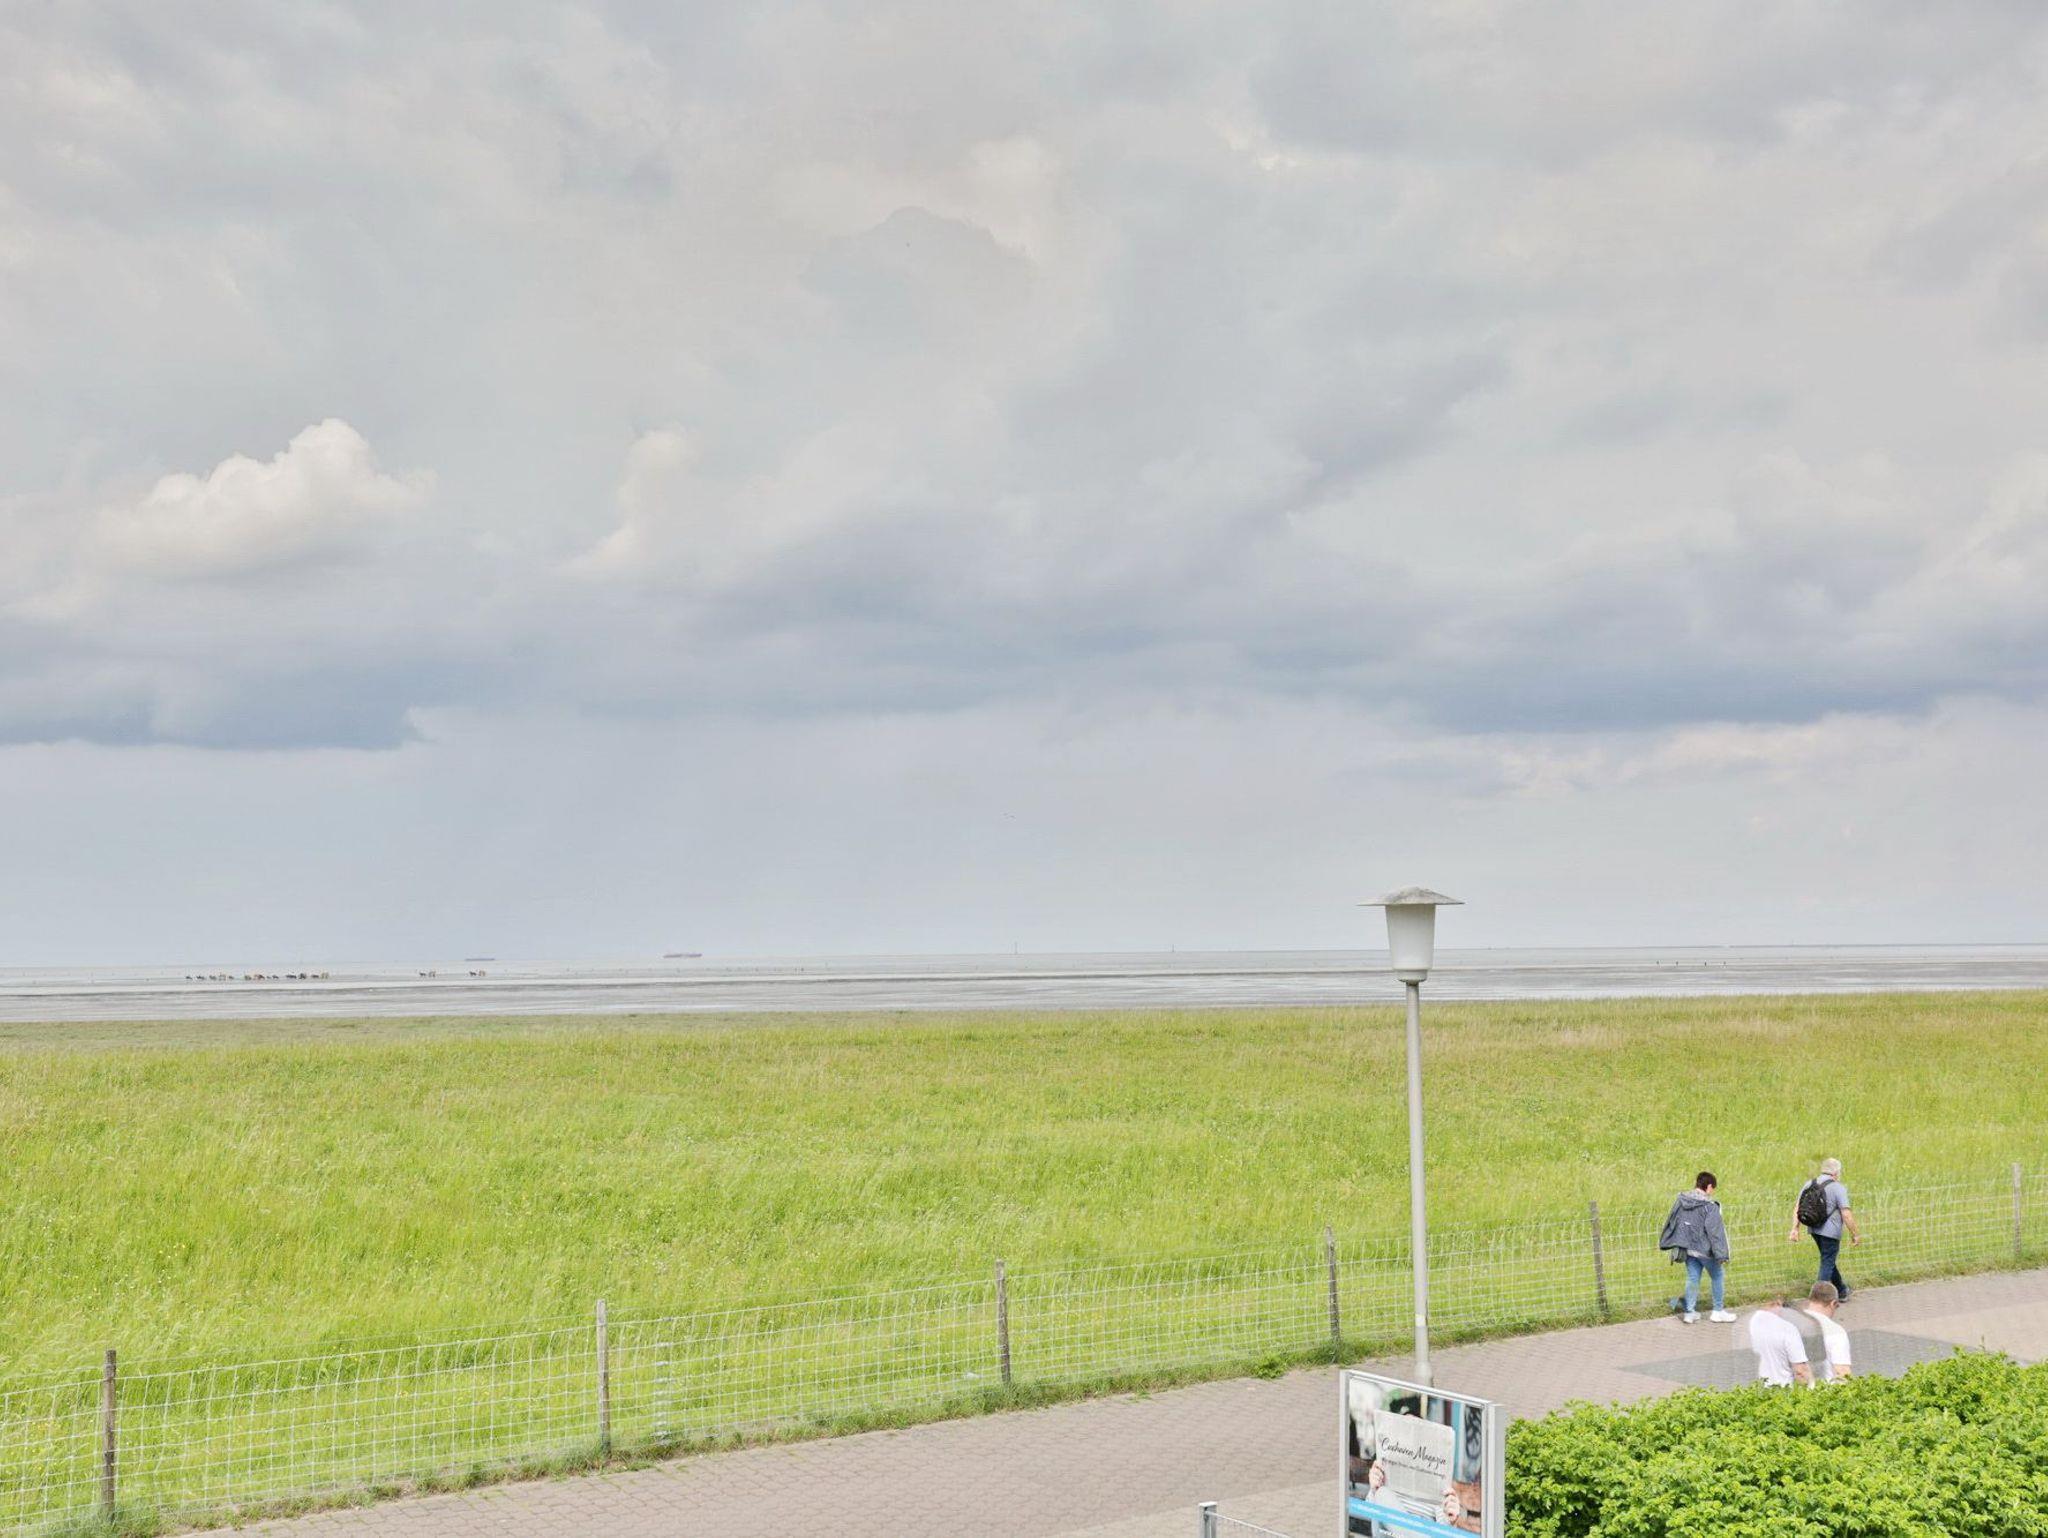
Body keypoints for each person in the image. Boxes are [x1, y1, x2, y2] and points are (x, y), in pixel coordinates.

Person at [1659, 1171, 1735, 1323]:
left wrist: (1674, 1242)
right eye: (1713, 1188)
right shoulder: (1710, 1206)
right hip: (1705, 1251)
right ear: (1709, 1186)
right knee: (1717, 1276)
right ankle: (1718, 1311)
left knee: (1693, 1278)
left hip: (1688, 1249)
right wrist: (1721, 1254)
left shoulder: (1682, 1201)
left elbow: (1674, 1221)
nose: (1712, 1192)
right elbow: (1715, 1233)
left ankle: (1689, 1313)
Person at [1787, 1157, 1859, 1301]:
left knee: (1828, 1259)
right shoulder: (1838, 1187)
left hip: (1813, 1228)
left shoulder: (1809, 1184)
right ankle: (1819, 1298)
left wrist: (1795, 1228)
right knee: (1827, 1261)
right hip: (1831, 1232)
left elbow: (1798, 1207)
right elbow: (1846, 1214)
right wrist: (1855, 1234)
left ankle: (1842, 1290)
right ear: (1836, 1172)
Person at [1792, 1281, 1853, 1382]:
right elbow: (1842, 1371)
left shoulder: (1791, 1325)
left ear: (1810, 1299)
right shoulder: (1835, 1331)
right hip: (1824, 1389)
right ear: (1833, 1303)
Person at [1746, 1297, 1814, 1387]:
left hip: (1763, 1388)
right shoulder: (1788, 1329)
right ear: (1778, 1303)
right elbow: (1800, 1371)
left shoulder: (1754, 1320)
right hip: (1785, 1388)